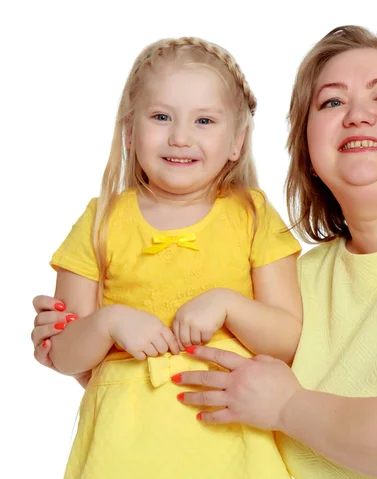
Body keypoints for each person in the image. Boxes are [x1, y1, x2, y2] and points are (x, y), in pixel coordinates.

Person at [33, 25, 377, 479]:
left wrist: (286, 406)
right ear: (307, 146)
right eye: (331, 102)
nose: (357, 113)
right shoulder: (304, 275)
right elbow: (125, 369)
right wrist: (85, 333)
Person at [32, 36, 302, 479]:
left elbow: (289, 343)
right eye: (161, 117)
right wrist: (109, 321)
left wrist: (227, 304)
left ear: (236, 141)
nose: (180, 137)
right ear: (129, 132)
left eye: (204, 120)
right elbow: (61, 353)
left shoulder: (253, 216)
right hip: (121, 445)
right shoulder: (101, 220)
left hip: (231, 439)